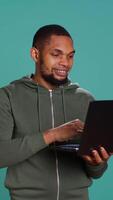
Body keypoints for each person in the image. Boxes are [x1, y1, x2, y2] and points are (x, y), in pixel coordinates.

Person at [0, 24, 111, 200]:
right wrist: (53, 135)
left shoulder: (86, 99)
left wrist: (97, 163)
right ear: (35, 54)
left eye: (70, 56)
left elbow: (96, 173)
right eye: (56, 54)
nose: (65, 63)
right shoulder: (8, 96)